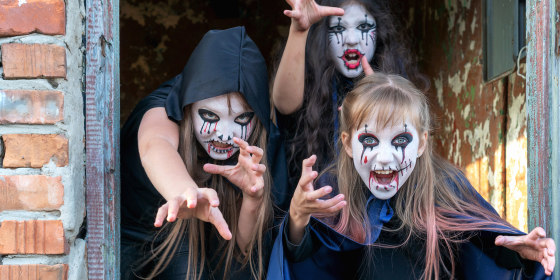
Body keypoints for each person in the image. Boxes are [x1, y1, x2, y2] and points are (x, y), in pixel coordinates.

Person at [268, 73, 556, 279]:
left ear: (421, 143)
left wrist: (522, 254)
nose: (384, 156)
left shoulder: (446, 186)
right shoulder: (331, 187)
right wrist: (297, 217)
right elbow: (300, 259)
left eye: (400, 141)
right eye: (369, 140)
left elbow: (485, 244)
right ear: (347, 143)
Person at [120, 26, 288, 279]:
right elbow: (155, 144)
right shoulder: (164, 107)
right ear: (187, 105)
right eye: (210, 115)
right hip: (144, 251)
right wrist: (185, 192)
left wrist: (252, 199)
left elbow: (243, 252)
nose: (224, 134)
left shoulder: (265, 140)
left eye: (242, 119)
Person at [273, 0, 427, 189]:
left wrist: (382, 102)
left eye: (363, 26)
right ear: (322, 37)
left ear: (379, 33)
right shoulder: (312, 79)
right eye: (338, 29)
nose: (352, 39)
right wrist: (299, 30)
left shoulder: (395, 81)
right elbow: (284, 104)